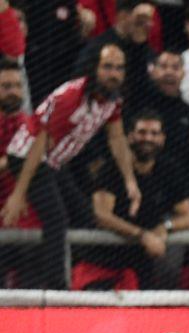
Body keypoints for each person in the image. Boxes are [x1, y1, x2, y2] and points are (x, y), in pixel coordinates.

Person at [1, 43, 139, 290]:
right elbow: (40, 142)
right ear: (94, 68)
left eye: (119, 68)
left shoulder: (113, 99)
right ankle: (55, 289)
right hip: (27, 156)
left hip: (54, 162)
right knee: (57, 219)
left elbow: (117, 138)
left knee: (85, 216)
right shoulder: (72, 97)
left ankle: (86, 279)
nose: (114, 74)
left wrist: (130, 181)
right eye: (108, 67)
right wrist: (19, 193)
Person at [84, 110, 189, 290]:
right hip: (105, 260)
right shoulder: (112, 168)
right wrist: (142, 235)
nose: (148, 138)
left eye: (154, 133)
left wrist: (164, 227)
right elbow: (101, 216)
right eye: (142, 132)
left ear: (163, 139)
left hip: (144, 262)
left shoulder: (170, 170)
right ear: (130, 137)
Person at [128, 49, 189, 195]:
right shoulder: (137, 105)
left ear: (183, 73)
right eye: (163, 66)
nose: (169, 72)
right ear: (153, 71)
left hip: (178, 187)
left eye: (175, 67)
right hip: (138, 182)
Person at [0, 59, 40, 288]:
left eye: (17, 86)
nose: (14, 92)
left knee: (29, 293)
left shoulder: (31, 124)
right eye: (6, 86)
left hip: (28, 225)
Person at [73, 0, 156, 107]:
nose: (149, 25)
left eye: (149, 20)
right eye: (140, 20)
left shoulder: (145, 50)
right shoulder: (98, 48)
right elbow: (79, 86)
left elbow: (143, 92)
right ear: (123, 16)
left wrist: (140, 46)